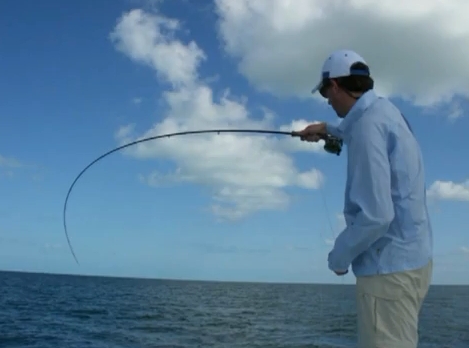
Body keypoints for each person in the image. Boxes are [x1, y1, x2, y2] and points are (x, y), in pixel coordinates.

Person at [293, 49, 433, 348]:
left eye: (325, 95)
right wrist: (327, 130)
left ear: (335, 86)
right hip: (413, 260)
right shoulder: (386, 112)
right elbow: (358, 129)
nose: (327, 102)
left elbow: (377, 216)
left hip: (387, 272)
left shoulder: (368, 128)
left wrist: (339, 257)